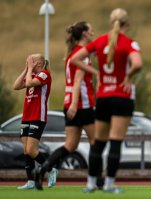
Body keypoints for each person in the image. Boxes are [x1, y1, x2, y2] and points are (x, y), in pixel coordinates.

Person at [71, 8, 142, 193]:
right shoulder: (129, 43)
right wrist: (128, 76)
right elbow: (137, 64)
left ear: (111, 23)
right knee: (116, 141)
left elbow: (75, 59)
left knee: (99, 142)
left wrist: (98, 73)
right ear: (127, 24)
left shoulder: (99, 41)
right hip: (122, 97)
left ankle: (90, 184)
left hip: (103, 97)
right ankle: (109, 184)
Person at [34, 21, 96, 190]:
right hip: (81, 103)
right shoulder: (82, 54)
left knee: (70, 145)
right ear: (84, 34)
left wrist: (71, 104)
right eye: (90, 30)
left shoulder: (70, 55)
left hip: (69, 101)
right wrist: (76, 105)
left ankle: (43, 169)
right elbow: (77, 81)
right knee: (96, 142)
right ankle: (96, 180)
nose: (93, 32)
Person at [13, 54, 56, 189]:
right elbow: (16, 86)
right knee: (26, 151)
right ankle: (31, 181)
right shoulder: (30, 75)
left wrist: (30, 69)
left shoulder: (44, 74)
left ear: (38, 63)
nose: (28, 61)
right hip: (27, 116)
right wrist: (27, 69)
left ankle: (51, 169)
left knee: (31, 149)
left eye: (31, 60)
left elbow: (31, 83)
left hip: (38, 116)